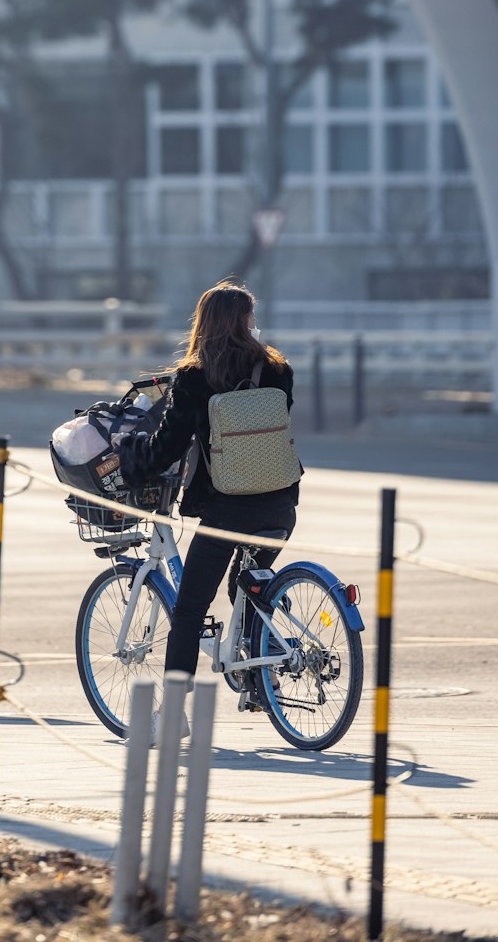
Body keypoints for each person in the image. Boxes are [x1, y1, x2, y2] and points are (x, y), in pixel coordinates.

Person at [118, 278, 298, 697]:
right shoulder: (278, 370)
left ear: (205, 323)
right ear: (246, 322)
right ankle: (259, 675)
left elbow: (166, 448)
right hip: (280, 502)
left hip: (226, 508)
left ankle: (174, 713)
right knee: (248, 583)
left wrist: (132, 455)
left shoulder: (195, 376)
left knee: (190, 611)